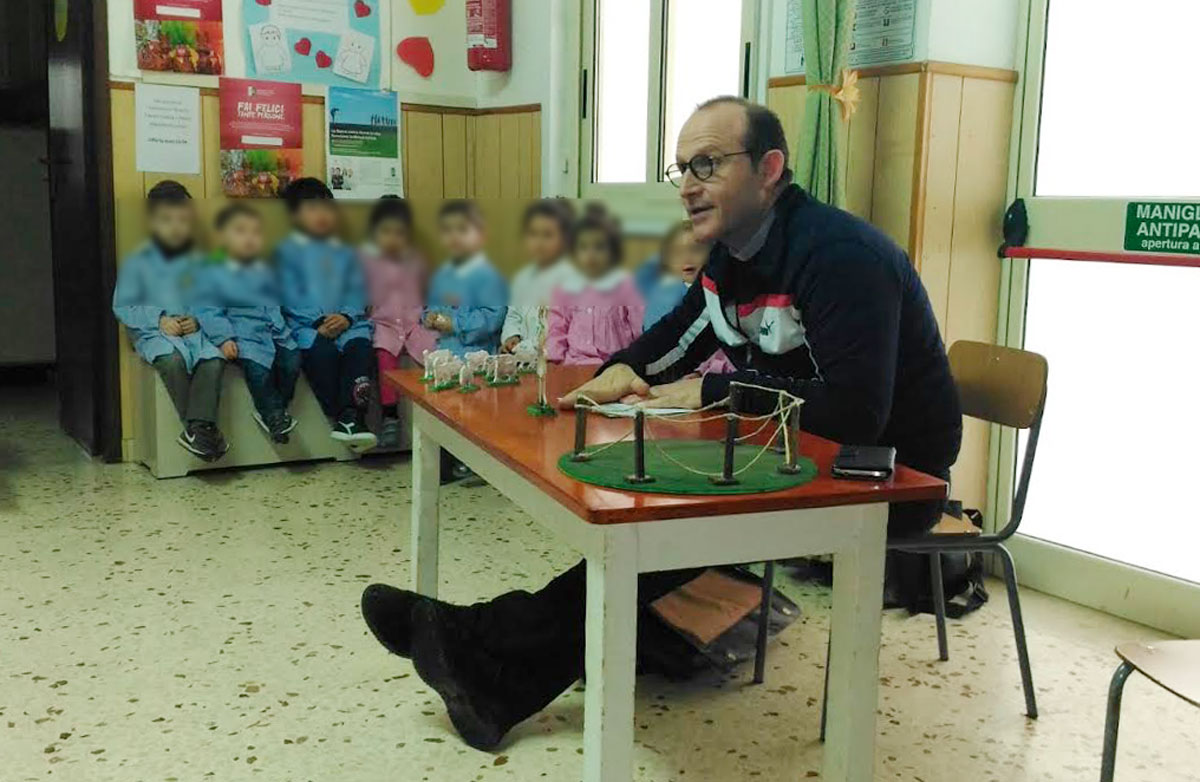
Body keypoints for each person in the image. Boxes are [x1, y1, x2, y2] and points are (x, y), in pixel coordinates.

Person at [361, 97, 962, 751]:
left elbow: (855, 412)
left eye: (707, 163)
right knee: (652, 520)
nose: (690, 186)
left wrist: (714, 391)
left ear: (769, 168)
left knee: (665, 519)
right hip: (793, 447)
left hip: (885, 475)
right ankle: (491, 668)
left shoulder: (841, 256)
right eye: (681, 170)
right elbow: (681, 333)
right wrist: (619, 370)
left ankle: (485, 649)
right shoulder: (734, 256)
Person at [112, 180, 228, 461]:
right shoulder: (137, 262)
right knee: (171, 360)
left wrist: (198, 321)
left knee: (213, 360)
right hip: (154, 334)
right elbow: (123, 307)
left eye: (182, 220)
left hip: (192, 335)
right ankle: (199, 428)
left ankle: (197, 428)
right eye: (166, 220)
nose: (175, 227)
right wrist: (159, 319)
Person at [276, 177, 377, 452]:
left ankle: (353, 416)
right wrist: (317, 321)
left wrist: (346, 316)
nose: (320, 215)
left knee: (361, 350)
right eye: (310, 208)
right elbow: (288, 296)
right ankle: (342, 416)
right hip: (308, 328)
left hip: (349, 325)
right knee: (323, 354)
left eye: (324, 207)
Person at [195, 204, 301, 444]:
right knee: (258, 369)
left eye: (255, 232)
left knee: (293, 362)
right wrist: (224, 338)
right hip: (243, 335)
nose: (249, 238)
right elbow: (207, 308)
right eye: (240, 231)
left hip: (275, 331)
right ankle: (273, 415)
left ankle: (276, 410)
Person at [359, 196, 437, 449]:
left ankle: (438, 415)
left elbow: (428, 293)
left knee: (434, 351)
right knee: (384, 355)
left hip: (414, 324)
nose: (393, 238)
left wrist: (431, 313)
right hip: (385, 325)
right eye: (386, 232)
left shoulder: (417, 261)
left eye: (399, 232)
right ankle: (390, 414)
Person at [544, 205, 643, 366]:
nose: (591, 255)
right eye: (583, 247)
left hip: (614, 366)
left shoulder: (625, 285)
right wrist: (554, 359)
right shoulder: (566, 288)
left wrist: (638, 362)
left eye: (599, 247)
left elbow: (639, 327)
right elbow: (557, 327)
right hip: (574, 364)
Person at [643, 219, 734, 375]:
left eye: (696, 250)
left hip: (720, 371)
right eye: (677, 253)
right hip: (673, 371)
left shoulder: (721, 291)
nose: (687, 257)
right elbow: (657, 343)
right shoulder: (661, 296)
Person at [423, 200, 508, 357]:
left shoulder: (489, 277)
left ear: (480, 234)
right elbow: (433, 304)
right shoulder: (442, 275)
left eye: (462, 229)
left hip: (477, 357)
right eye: (447, 230)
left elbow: (492, 318)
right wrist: (429, 316)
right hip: (445, 353)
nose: (454, 237)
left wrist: (455, 324)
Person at [500, 199, 575, 354]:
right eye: (533, 234)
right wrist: (512, 336)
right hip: (522, 358)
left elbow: (562, 333)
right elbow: (513, 315)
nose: (539, 243)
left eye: (547, 235)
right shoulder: (523, 278)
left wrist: (524, 348)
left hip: (556, 361)